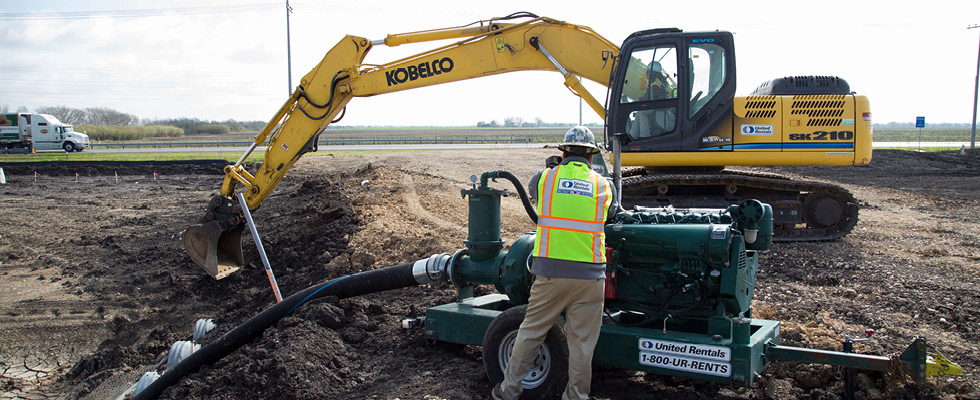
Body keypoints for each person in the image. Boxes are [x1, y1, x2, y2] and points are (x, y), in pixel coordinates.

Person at [492, 126, 615, 400]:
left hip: (551, 276)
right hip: (591, 277)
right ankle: (576, 397)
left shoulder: (544, 179)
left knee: (532, 332)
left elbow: (537, 191)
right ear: (592, 157)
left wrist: (553, 169)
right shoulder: (604, 186)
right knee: (582, 344)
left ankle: (509, 391)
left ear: (562, 152)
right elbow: (611, 211)